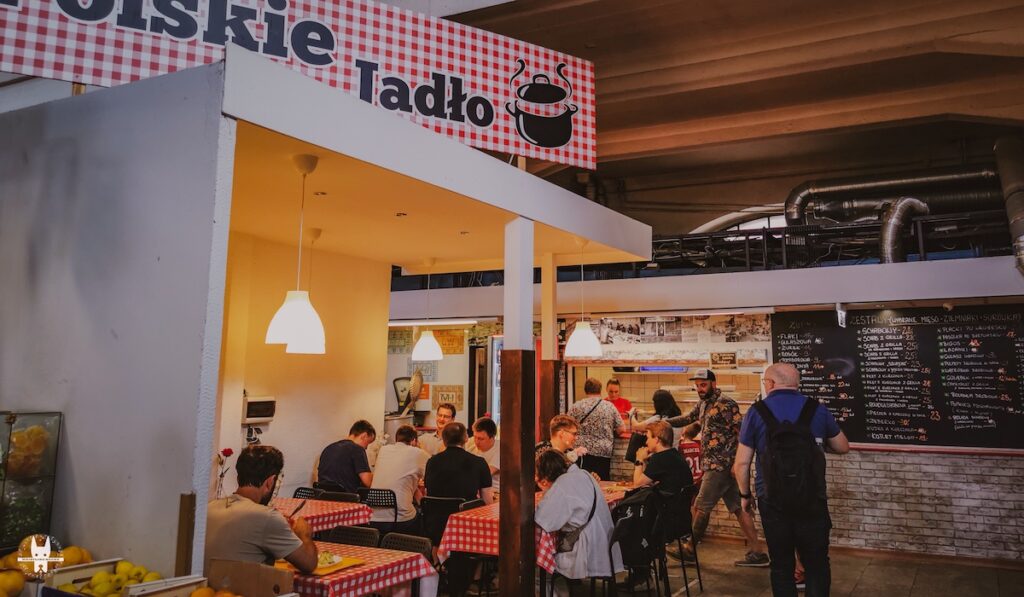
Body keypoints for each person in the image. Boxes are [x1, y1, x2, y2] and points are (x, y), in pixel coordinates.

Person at [735, 362, 849, 597]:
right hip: (812, 498)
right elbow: (843, 446)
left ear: (771, 384)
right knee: (817, 563)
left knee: (781, 564)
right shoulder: (816, 408)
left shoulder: (757, 412)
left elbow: (741, 463)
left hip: (772, 500)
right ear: (796, 384)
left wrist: (745, 496)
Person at [661, 369, 769, 567]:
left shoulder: (726, 404)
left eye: (703, 384)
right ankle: (758, 552)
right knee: (739, 508)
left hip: (721, 465)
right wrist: (663, 422)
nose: (699, 388)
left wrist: (737, 463)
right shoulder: (704, 404)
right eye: (697, 385)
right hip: (718, 465)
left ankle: (689, 549)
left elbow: (742, 433)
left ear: (713, 383)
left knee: (700, 507)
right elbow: (687, 419)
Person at [205, 445, 317, 574]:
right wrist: (304, 534)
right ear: (270, 482)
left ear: (238, 478)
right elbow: (309, 563)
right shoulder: (267, 517)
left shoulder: (210, 507)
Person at [535, 450, 622, 594]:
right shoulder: (583, 474)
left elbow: (544, 519)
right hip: (603, 544)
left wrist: (545, 491)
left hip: (585, 552)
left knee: (537, 572)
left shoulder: (563, 484)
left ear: (547, 475)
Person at [368, 424, 428, 534]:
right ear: (414, 441)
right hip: (401, 520)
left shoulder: (383, 450)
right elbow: (431, 476)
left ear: (396, 439)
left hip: (373, 518)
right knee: (425, 520)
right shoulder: (418, 452)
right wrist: (422, 449)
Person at [424, 421, 494, 503]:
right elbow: (487, 499)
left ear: (443, 440)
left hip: (435, 514)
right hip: (465, 513)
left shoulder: (432, 462)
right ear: (466, 438)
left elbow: (427, 491)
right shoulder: (479, 462)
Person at [567, 377, 623, 480]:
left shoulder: (576, 406)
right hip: (603, 452)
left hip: (581, 451)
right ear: (600, 390)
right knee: (601, 482)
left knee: (581, 481)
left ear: (585, 390)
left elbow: (567, 425)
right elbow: (621, 429)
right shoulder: (609, 406)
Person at [633, 420, 693, 495]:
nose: (646, 442)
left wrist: (639, 460)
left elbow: (637, 485)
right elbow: (647, 481)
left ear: (656, 440)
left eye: (648, 438)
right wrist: (644, 460)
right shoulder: (675, 454)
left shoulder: (659, 458)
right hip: (680, 504)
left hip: (667, 504)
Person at [317, 420, 375, 493]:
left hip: (323, 498)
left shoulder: (328, 448)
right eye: (368, 443)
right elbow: (368, 483)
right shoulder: (357, 449)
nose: (366, 447)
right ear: (364, 436)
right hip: (346, 499)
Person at [466, 416, 500, 491]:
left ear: (492, 437)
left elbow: (485, 474)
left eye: (481, 439)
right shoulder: (471, 446)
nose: (477, 442)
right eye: (475, 437)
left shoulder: (500, 449)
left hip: (495, 491)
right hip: (474, 490)